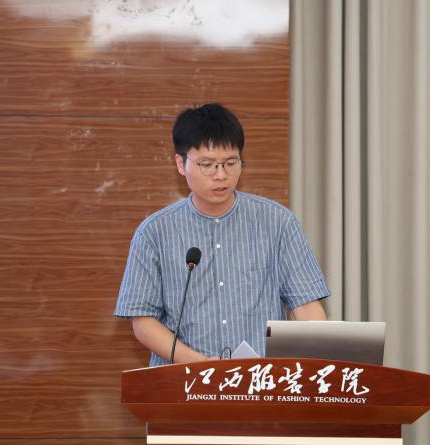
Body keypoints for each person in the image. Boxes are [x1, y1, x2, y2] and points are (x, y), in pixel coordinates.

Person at [114, 103, 329, 366]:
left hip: (259, 380)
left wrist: (326, 363)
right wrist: (198, 363)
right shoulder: (154, 232)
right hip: (184, 380)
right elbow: (143, 321)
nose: (221, 175)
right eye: (207, 164)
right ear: (181, 163)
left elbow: (306, 305)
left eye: (230, 163)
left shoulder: (278, 222)